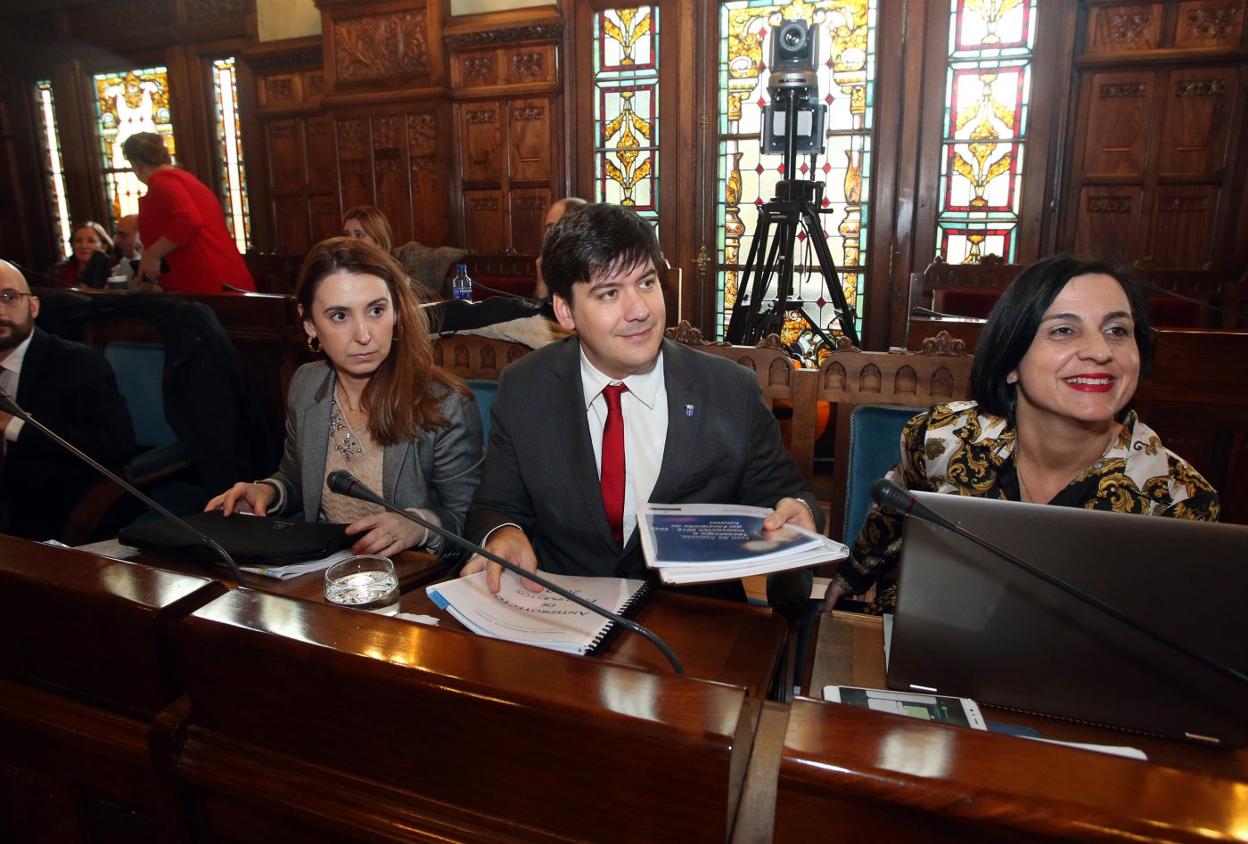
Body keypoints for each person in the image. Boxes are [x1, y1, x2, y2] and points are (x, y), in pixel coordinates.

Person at [463, 203, 822, 602]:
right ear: (565, 310)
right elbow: (493, 506)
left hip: (697, 625)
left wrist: (800, 511)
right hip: (563, 620)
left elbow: (785, 499)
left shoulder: (729, 390)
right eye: (609, 292)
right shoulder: (525, 387)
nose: (640, 311)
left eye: (647, 283)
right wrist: (504, 533)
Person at [826, 255, 1220, 614]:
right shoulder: (940, 436)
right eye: (1064, 330)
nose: (1100, 351)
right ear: (1010, 360)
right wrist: (849, 581)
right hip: (934, 644)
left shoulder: (1179, 498)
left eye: (1117, 330)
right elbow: (889, 524)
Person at [206, 238, 483, 558]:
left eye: (376, 310)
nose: (364, 335)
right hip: (321, 573)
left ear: (396, 313)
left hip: (411, 579)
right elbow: (298, 478)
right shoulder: (306, 385)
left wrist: (419, 526)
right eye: (340, 316)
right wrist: (268, 492)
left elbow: (472, 525)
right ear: (309, 323)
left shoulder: (445, 403)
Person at [0, 259, 136, 541]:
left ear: (33, 306)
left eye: (8, 297)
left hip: (53, 513)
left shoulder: (75, 362)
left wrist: (11, 425)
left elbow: (114, 445)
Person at [121, 132, 256, 294]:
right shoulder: (184, 179)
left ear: (137, 164)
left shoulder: (163, 182)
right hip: (215, 278)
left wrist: (152, 254)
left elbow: (189, 219)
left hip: (207, 283)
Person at [533, 197, 587, 300]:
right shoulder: (551, 261)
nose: (546, 236)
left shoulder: (592, 264)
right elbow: (538, 313)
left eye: (553, 227)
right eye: (547, 228)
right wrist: (542, 282)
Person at [51, 222, 114, 289]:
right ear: (72, 245)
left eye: (91, 241)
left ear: (104, 247)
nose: (83, 246)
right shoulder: (57, 271)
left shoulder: (113, 272)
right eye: (78, 241)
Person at [111, 214, 142, 285]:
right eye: (117, 235)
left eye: (123, 235)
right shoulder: (124, 262)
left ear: (140, 235)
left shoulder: (154, 266)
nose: (117, 241)